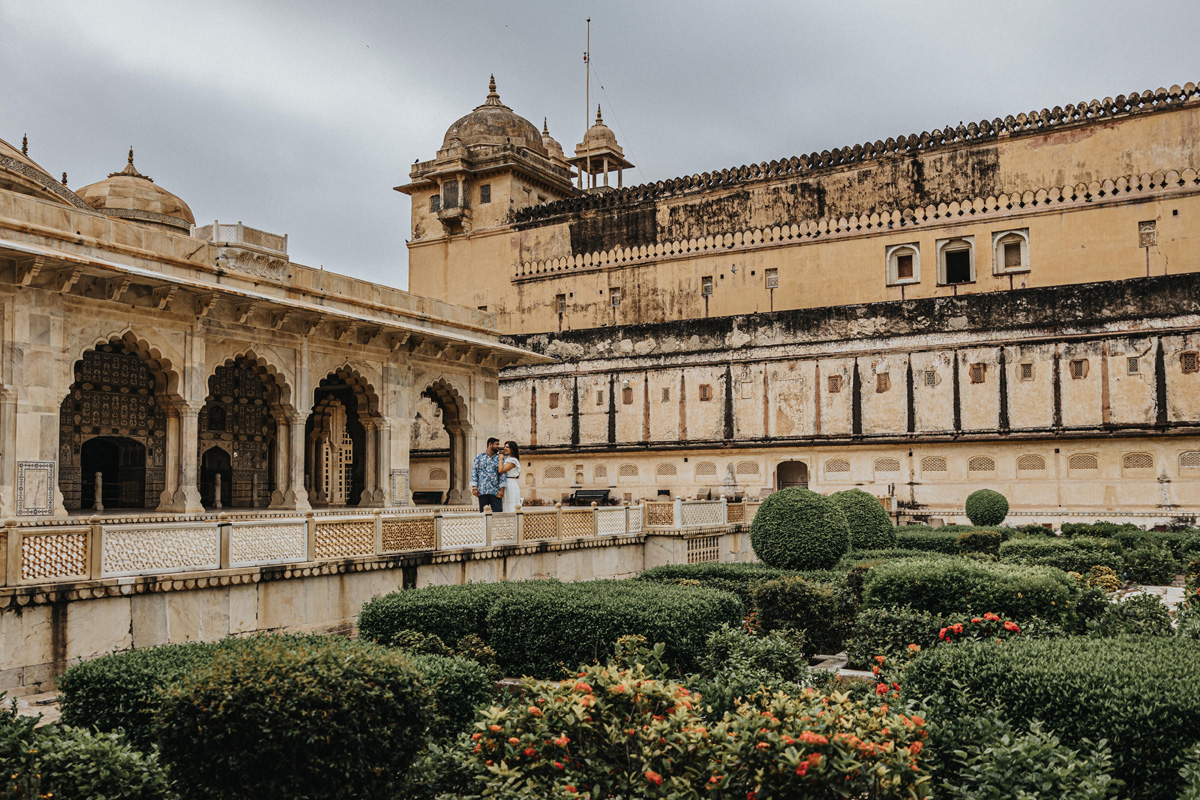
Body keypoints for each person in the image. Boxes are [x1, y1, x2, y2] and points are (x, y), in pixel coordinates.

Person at [470, 437, 503, 512]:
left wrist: (501, 489)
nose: (498, 446)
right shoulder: (479, 457)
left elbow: (502, 474)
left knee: (498, 513)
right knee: (484, 513)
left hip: (495, 491)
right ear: (490, 444)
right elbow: (474, 472)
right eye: (496, 444)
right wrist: (474, 488)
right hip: (482, 490)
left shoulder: (499, 458)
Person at [498, 440, 522, 512]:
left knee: (510, 504)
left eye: (507, 447)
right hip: (504, 482)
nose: (505, 448)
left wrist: (500, 459)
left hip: (510, 484)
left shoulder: (513, 460)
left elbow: (501, 470)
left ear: (512, 449)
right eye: (505, 447)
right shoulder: (507, 459)